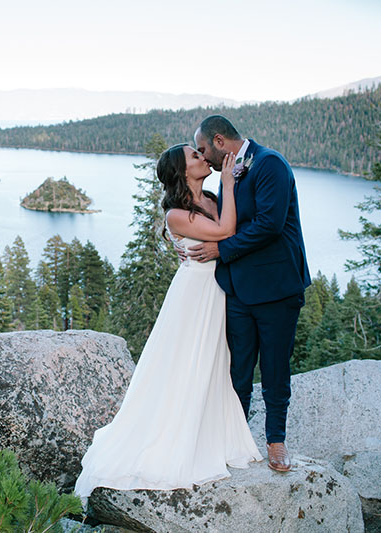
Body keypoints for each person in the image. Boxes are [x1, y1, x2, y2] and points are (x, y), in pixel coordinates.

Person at [74, 144, 262, 502]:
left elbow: (232, 232)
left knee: (212, 364)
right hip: (194, 295)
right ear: (181, 171)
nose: (202, 158)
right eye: (195, 156)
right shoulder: (176, 213)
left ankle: (211, 436)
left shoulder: (208, 197)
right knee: (184, 365)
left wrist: (227, 188)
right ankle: (173, 439)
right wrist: (230, 181)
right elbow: (226, 229)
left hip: (217, 291)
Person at [190, 115, 311, 472]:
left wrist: (221, 251)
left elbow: (269, 225)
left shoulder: (269, 163)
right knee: (237, 370)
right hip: (237, 289)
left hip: (276, 288)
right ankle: (235, 439)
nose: (203, 158)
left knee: (274, 368)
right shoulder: (228, 175)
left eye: (202, 149)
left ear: (219, 141)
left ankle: (276, 442)